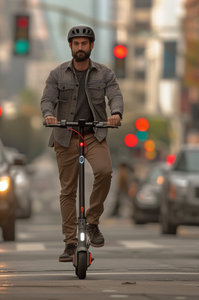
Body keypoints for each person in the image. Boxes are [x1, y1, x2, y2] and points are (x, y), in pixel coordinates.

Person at [41, 25, 124, 262]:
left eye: (84, 43)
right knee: (68, 190)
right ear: (70, 46)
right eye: (76, 43)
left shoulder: (105, 73)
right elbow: (47, 99)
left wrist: (116, 113)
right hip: (65, 134)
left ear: (91, 46)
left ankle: (93, 222)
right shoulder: (57, 74)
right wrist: (49, 114)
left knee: (105, 171)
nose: (80, 47)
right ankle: (70, 242)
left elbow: (115, 95)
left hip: (93, 133)